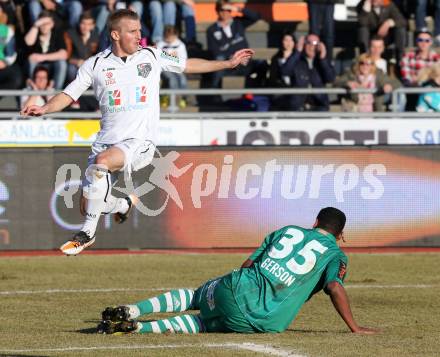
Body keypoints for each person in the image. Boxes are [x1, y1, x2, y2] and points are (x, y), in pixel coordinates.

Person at [20, 9, 254, 256]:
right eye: (133, 31)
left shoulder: (151, 55)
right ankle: (123, 203)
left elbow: (187, 65)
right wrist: (45, 108)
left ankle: (87, 233)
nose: (139, 36)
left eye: (140, 30)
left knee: (101, 166)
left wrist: (227, 63)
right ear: (115, 35)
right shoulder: (96, 64)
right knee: (88, 204)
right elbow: (69, 94)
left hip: (140, 142)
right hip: (106, 142)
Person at [96, 207, 378, 335]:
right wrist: (355, 328)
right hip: (265, 323)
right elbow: (334, 287)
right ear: (340, 234)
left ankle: (134, 310)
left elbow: (248, 265)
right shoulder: (336, 254)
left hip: (234, 289)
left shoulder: (288, 230)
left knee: (197, 297)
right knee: (204, 325)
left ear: (314, 221)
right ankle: (141, 329)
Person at [334, 53, 400, 112]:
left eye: (368, 64)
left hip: (374, 110)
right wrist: (347, 83)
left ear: (372, 65)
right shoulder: (351, 74)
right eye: (362, 63)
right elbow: (336, 82)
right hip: (355, 111)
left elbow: (396, 82)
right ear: (358, 64)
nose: (365, 66)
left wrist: (389, 85)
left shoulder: (378, 74)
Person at [288, 33, 335, 111]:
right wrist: (297, 52)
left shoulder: (322, 62)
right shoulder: (297, 60)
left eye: (316, 44)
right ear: (304, 45)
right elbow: (285, 71)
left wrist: (323, 59)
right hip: (298, 106)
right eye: (308, 43)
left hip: (319, 105)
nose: (312, 47)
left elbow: (330, 78)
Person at [24, 10, 68, 89]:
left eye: (47, 24)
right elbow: (28, 43)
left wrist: (42, 57)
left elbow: (64, 54)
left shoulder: (57, 33)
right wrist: (35, 25)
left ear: (52, 24)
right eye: (42, 23)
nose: (44, 26)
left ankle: (56, 92)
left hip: (51, 66)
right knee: (31, 61)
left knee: (62, 63)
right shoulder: (34, 32)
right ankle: (33, 89)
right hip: (36, 66)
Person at [357, 0, 407, 66]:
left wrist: (389, 23)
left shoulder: (388, 4)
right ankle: (365, 59)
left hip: (386, 37)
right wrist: (365, 11)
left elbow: (403, 21)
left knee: (400, 30)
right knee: (362, 30)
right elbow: (362, 23)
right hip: (370, 38)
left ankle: (400, 60)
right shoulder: (363, 5)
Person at [400, 30, 440, 110]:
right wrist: (428, 80)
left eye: (427, 40)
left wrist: (420, 80)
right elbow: (407, 79)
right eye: (420, 40)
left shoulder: (437, 58)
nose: (423, 43)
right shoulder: (408, 56)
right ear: (416, 41)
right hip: (413, 94)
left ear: (431, 42)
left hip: (432, 95)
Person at [268, 32, 303, 110]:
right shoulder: (276, 59)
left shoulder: (300, 59)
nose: (288, 43)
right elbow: (273, 78)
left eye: (291, 40)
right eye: (286, 40)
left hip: (296, 92)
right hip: (280, 92)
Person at [156, 25, 188, 109]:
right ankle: (172, 100)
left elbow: (184, 59)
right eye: (167, 36)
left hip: (177, 68)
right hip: (165, 69)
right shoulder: (160, 44)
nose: (169, 39)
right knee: (172, 80)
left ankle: (183, 98)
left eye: (171, 36)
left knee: (183, 80)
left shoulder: (180, 45)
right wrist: (169, 57)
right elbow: (158, 58)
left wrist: (175, 58)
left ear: (175, 35)